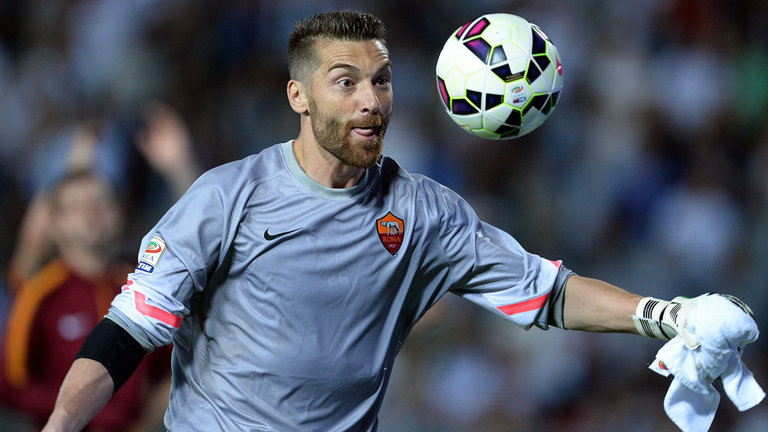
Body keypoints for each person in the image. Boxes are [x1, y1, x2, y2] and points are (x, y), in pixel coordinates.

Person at [41, 10, 760, 432]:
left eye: (381, 81)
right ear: (298, 96)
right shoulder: (226, 197)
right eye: (346, 82)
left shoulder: (425, 214)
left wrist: (669, 315)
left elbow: (547, 293)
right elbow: (127, 334)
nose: (371, 101)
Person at [0, 170, 171, 431]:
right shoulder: (39, 294)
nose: (92, 211)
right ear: (55, 225)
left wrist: (145, 423)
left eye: (102, 201)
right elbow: (10, 384)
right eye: (77, 205)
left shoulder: (144, 285)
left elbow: (171, 370)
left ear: (120, 215)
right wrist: (83, 412)